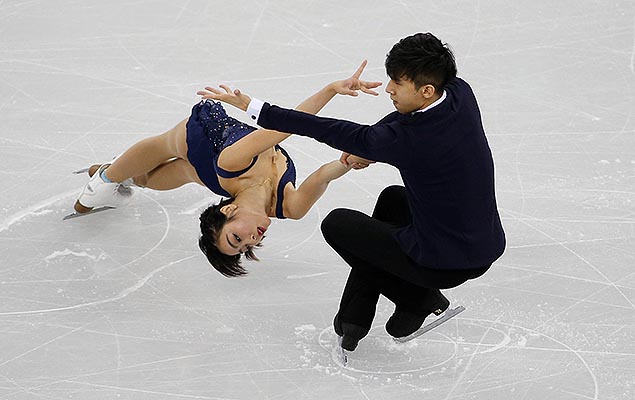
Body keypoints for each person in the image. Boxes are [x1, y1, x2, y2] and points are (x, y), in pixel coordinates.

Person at [198, 32, 506, 350]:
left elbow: (325, 129)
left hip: (444, 263)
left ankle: (418, 300)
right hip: (485, 244)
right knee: (393, 200)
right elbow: (402, 126)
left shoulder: (403, 140)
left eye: (397, 84)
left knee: (338, 225)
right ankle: (355, 320)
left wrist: (254, 107)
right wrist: (372, 145)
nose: (389, 89)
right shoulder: (459, 92)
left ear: (425, 90)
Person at [72, 63, 382, 278]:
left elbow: (289, 125)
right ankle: (123, 172)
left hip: (203, 139)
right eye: (248, 247)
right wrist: (346, 162)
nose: (251, 239)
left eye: (237, 238)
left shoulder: (234, 162)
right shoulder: (291, 206)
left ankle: (103, 180)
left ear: (229, 210)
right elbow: (324, 175)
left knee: (163, 148)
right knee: (158, 175)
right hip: (216, 173)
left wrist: (330, 89)